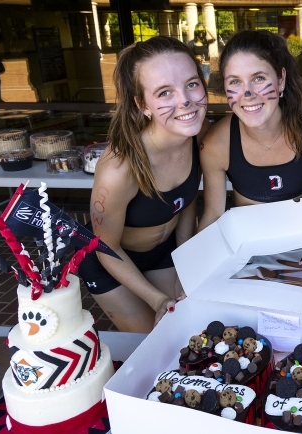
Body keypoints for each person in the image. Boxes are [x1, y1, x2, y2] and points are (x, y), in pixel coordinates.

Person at [78, 36, 209, 332]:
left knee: (185, 329)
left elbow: (186, 205)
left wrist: (185, 264)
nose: (184, 101)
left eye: (192, 84)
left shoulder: (197, 133)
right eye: (164, 93)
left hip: (163, 250)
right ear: (142, 104)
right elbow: (105, 246)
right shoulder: (118, 169)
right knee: (152, 341)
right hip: (110, 259)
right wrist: (157, 299)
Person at [199, 30, 302, 272]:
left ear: (281, 79)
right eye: (235, 81)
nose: (248, 94)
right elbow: (213, 214)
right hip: (248, 252)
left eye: (258, 78)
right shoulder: (217, 144)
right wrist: (198, 269)